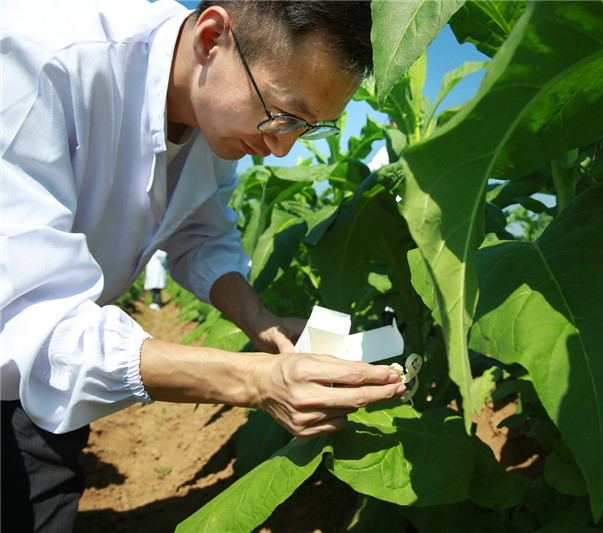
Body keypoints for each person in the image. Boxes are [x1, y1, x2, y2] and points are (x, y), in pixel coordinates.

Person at [0, 1, 406, 531]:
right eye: (283, 113)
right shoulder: (40, 60)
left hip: (52, 366)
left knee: (43, 494)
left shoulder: (219, 112)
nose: (280, 148)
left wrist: (260, 323)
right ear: (213, 36)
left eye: (309, 127)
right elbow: (27, 320)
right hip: (25, 337)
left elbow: (200, 234)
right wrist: (255, 381)